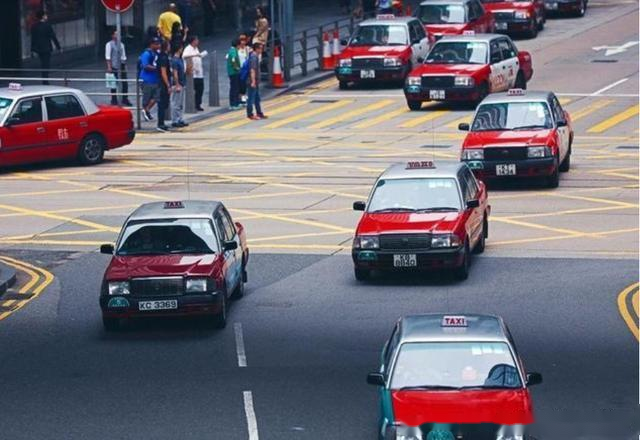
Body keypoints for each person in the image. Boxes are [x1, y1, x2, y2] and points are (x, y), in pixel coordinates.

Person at [30, 10, 61, 85]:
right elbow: (53, 37)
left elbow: (33, 39)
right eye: (45, 15)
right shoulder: (47, 25)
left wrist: (32, 50)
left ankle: (45, 79)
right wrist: (58, 47)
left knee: (43, 63)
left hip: (39, 48)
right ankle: (45, 80)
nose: (47, 16)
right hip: (46, 48)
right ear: (43, 16)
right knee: (46, 64)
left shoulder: (34, 26)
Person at [105, 30, 132, 107]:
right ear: (112, 35)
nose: (118, 36)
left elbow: (124, 56)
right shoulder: (109, 44)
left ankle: (125, 98)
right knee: (113, 84)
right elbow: (108, 57)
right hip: (114, 66)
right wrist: (109, 67)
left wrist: (125, 66)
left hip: (121, 65)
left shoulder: (121, 44)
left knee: (125, 83)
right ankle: (114, 99)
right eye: (116, 34)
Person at [182, 35, 208, 111]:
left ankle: (198, 104)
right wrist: (195, 55)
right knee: (193, 89)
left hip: (199, 72)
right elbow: (184, 56)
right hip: (192, 73)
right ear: (193, 41)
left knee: (200, 89)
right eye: (196, 40)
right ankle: (192, 104)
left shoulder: (196, 48)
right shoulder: (188, 49)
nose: (198, 41)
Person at [139, 37, 161, 121]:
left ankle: (146, 109)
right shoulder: (146, 54)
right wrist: (157, 68)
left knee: (156, 96)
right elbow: (145, 66)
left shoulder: (156, 53)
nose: (158, 46)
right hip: (147, 79)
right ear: (151, 45)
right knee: (147, 98)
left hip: (155, 79)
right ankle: (146, 112)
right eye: (156, 44)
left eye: (158, 44)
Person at [246, 42, 267, 121]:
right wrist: (253, 81)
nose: (262, 50)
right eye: (260, 48)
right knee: (251, 98)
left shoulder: (255, 56)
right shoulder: (254, 57)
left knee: (257, 98)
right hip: (252, 81)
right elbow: (252, 70)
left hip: (255, 81)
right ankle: (250, 114)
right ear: (257, 49)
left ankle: (259, 113)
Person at [170, 44, 188, 128]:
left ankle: (180, 119)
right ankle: (175, 120)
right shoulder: (175, 60)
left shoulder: (180, 59)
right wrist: (177, 84)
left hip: (182, 82)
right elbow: (175, 73)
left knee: (180, 103)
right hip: (178, 84)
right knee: (176, 103)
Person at [157, 40, 172, 132]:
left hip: (163, 83)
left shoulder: (164, 56)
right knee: (162, 104)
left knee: (165, 104)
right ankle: (160, 123)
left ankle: (162, 123)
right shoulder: (163, 57)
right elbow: (163, 72)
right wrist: (168, 85)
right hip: (162, 84)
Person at [226, 38, 241, 110]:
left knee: (233, 88)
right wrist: (236, 67)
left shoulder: (231, 50)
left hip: (231, 72)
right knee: (235, 88)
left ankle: (233, 104)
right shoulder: (234, 51)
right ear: (237, 45)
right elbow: (233, 59)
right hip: (234, 72)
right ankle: (235, 104)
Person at [237, 33, 250, 105]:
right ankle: (240, 99)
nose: (243, 42)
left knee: (245, 86)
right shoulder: (237, 49)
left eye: (244, 40)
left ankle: (244, 99)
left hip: (246, 69)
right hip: (240, 69)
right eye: (241, 40)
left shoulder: (247, 49)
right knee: (240, 85)